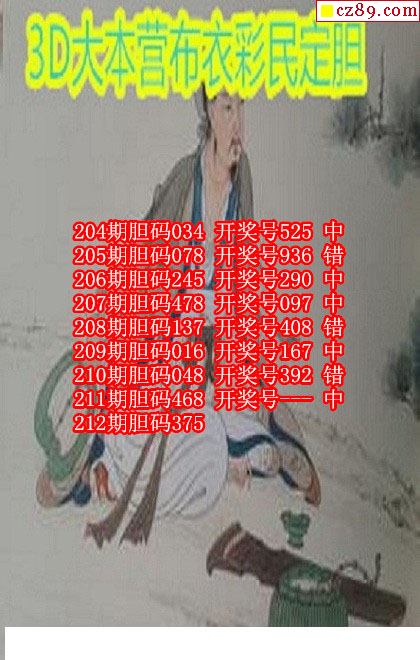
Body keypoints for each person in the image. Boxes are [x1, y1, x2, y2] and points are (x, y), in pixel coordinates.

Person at [36, 86, 321, 545]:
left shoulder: (243, 179)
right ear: (208, 112)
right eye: (227, 108)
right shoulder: (184, 178)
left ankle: (246, 442)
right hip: (167, 334)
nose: (238, 123)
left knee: (230, 446)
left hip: (216, 347)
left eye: (242, 108)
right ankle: (93, 464)